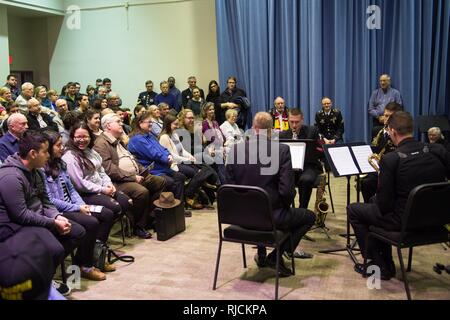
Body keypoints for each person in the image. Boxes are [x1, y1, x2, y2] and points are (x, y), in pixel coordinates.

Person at [348, 111, 450, 280]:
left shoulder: (391, 159)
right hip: (437, 223)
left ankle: (379, 265)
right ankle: (384, 261)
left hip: (405, 223)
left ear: (393, 131)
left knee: (355, 210)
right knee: (375, 207)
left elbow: (384, 206)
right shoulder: (437, 150)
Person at [225, 112, 315, 276]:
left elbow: (228, 187)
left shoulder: (235, 150)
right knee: (309, 217)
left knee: (257, 202)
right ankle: (276, 256)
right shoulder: (281, 150)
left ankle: (261, 255)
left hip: (239, 218)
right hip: (270, 219)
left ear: (253, 128)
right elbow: (287, 192)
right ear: (271, 130)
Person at [0, 131, 86, 294]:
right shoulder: (10, 176)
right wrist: (52, 223)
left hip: (35, 218)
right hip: (12, 225)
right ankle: (38, 281)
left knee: (77, 232)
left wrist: (57, 216)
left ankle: (42, 273)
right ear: (33, 154)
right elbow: (21, 215)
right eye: (45, 151)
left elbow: (46, 201)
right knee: (55, 249)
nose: (49, 155)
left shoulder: (37, 170)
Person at [62, 122, 130, 270]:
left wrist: (109, 185)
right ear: (72, 138)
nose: (82, 140)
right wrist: (103, 190)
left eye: (85, 136)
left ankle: (100, 248)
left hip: (101, 189)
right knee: (109, 212)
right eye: (78, 137)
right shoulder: (70, 157)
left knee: (125, 202)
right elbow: (80, 184)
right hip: (85, 194)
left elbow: (102, 172)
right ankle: (93, 255)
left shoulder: (90, 151)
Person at [43, 130, 107, 281]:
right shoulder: (42, 169)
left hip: (74, 206)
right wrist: (77, 208)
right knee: (91, 223)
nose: (63, 148)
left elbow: (71, 189)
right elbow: (50, 200)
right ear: (48, 147)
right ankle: (85, 266)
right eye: (59, 145)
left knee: (106, 214)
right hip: (59, 211)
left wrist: (82, 205)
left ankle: (91, 259)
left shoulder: (60, 163)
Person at [93, 114, 166, 239]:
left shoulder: (118, 140)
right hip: (117, 182)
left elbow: (131, 159)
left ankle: (148, 218)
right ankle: (137, 226)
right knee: (141, 191)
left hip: (134, 176)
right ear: (108, 126)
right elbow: (109, 169)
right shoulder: (101, 143)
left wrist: (143, 170)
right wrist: (132, 177)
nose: (122, 123)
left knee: (161, 182)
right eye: (118, 121)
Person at [128, 112, 188, 215]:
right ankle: (164, 212)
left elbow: (162, 148)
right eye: (149, 122)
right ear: (140, 123)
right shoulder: (137, 139)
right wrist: (166, 159)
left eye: (151, 122)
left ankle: (178, 209)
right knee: (170, 182)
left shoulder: (149, 136)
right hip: (153, 170)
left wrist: (168, 155)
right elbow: (153, 154)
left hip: (162, 167)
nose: (151, 124)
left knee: (180, 177)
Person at [159, 114, 218, 209]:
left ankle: (202, 187)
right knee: (196, 172)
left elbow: (182, 150)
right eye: (175, 124)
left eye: (178, 124)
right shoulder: (164, 137)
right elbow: (171, 156)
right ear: (168, 124)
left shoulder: (174, 134)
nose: (177, 127)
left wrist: (190, 157)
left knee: (205, 168)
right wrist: (187, 160)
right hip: (174, 164)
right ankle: (191, 194)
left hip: (183, 161)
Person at [280, 108, 322, 209]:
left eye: (297, 122)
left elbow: (320, 151)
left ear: (302, 120)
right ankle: (285, 209)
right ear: (288, 120)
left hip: (308, 166)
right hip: (290, 168)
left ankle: (302, 210)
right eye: (292, 122)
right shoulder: (283, 135)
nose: (294, 125)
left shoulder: (312, 131)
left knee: (306, 180)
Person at [360, 102, 402, 203]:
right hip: (378, 168)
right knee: (366, 182)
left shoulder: (400, 133)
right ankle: (370, 207)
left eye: (389, 116)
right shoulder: (377, 131)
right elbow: (374, 149)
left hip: (393, 169)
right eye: (385, 115)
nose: (385, 118)